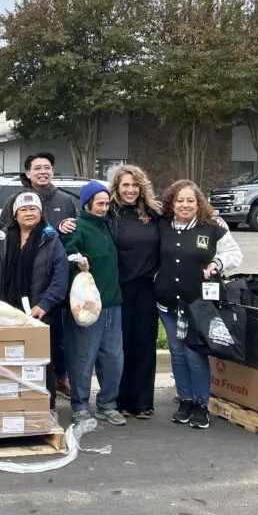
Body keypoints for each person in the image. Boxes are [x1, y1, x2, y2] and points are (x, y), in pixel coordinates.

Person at [154, 179, 243, 430]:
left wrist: (218, 264)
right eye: (179, 200)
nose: (185, 205)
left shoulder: (212, 227)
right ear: (171, 203)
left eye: (190, 200)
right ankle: (185, 399)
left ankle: (201, 405)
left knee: (195, 354)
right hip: (168, 303)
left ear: (198, 203)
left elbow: (235, 254)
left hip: (199, 305)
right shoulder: (162, 226)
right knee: (178, 353)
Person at [0, 193, 69, 412]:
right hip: (8, 312)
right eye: (23, 210)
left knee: (42, 363)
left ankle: (45, 408)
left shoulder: (50, 239)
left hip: (40, 313)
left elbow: (60, 278)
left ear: (41, 213)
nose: (28, 213)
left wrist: (44, 304)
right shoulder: (3, 238)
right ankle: (12, 407)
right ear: (14, 215)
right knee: (10, 361)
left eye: (33, 209)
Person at [59, 181, 125, 426]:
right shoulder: (76, 227)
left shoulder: (108, 226)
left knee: (113, 358)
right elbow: (67, 255)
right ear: (87, 204)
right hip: (86, 307)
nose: (104, 208)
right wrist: (78, 264)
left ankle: (108, 404)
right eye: (100, 204)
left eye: (107, 203)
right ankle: (80, 405)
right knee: (83, 357)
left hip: (112, 304)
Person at [107, 165, 162, 420]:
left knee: (143, 343)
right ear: (117, 187)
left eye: (135, 185)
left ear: (142, 188)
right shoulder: (109, 213)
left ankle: (142, 401)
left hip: (147, 289)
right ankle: (119, 400)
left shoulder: (153, 214)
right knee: (120, 346)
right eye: (125, 185)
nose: (130, 190)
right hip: (118, 288)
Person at [0, 152, 78, 232]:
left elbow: (77, 228)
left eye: (47, 168)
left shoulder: (65, 200)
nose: (43, 172)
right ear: (28, 173)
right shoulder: (15, 200)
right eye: (37, 168)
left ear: (52, 171)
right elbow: (3, 231)